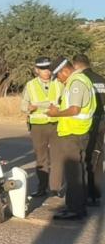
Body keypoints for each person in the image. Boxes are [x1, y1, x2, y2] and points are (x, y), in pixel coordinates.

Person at [47, 57, 96, 220]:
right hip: (75, 132)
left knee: (74, 172)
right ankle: (76, 205)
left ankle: (75, 209)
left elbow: (75, 110)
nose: (59, 81)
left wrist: (56, 113)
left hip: (74, 132)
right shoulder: (77, 81)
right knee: (76, 170)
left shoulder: (76, 83)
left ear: (64, 71)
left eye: (58, 77)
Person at [21, 57, 63, 198]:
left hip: (56, 123)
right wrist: (29, 108)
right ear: (36, 70)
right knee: (41, 159)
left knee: (57, 157)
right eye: (43, 69)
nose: (47, 72)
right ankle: (42, 188)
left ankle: (55, 188)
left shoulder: (59, 83)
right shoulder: (30, 85)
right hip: (38, 126)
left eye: (49, 68)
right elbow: (23, 105)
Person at [72, 54, 105, 206]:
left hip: (87, 123)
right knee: (98, 158)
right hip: (102, 122)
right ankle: (96, 193)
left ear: (76, 65)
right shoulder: (101, 79)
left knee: (85, 158)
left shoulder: (81, 81)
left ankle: (85, 193)